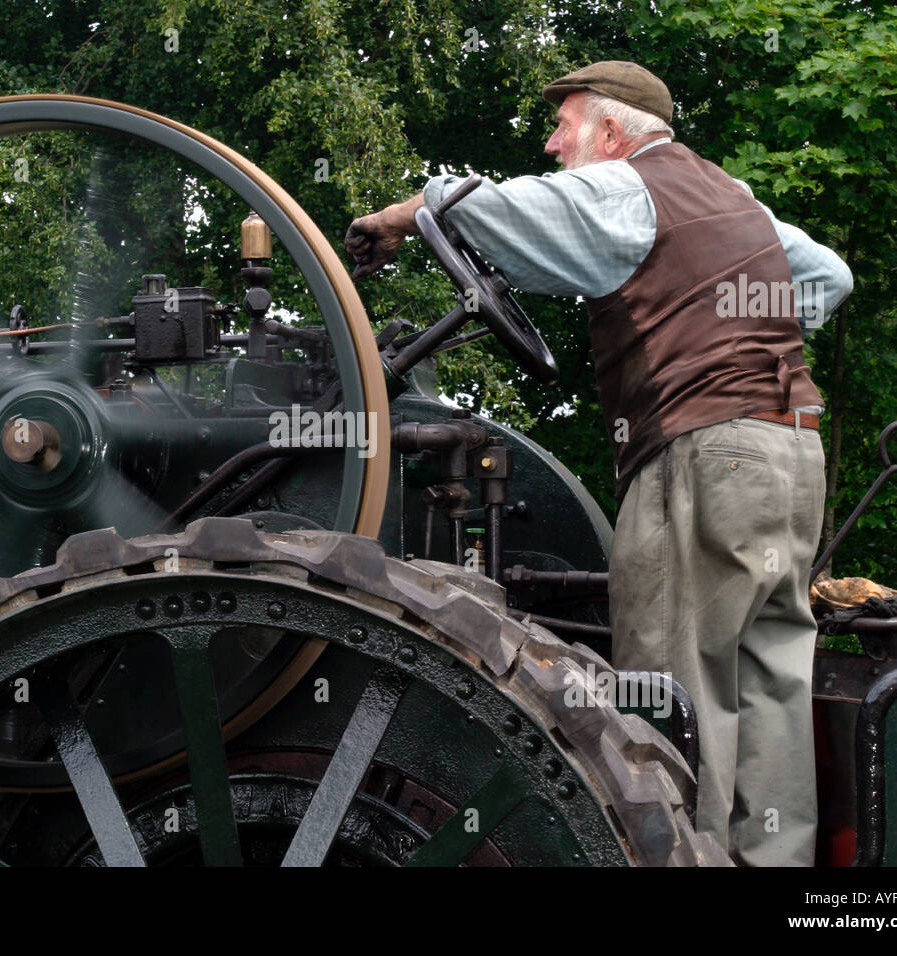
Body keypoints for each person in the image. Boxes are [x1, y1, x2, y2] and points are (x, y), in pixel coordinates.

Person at [344, 61, 852, 866]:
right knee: (770, 680)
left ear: (612, 133)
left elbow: (485, 204)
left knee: (676, 691)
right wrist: (740, 338)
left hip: (701, 453)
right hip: (788, 448)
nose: (551, 144)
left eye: (564, 127)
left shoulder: (626, 186)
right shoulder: (737, 201)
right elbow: (829, 277)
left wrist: (397, 217)